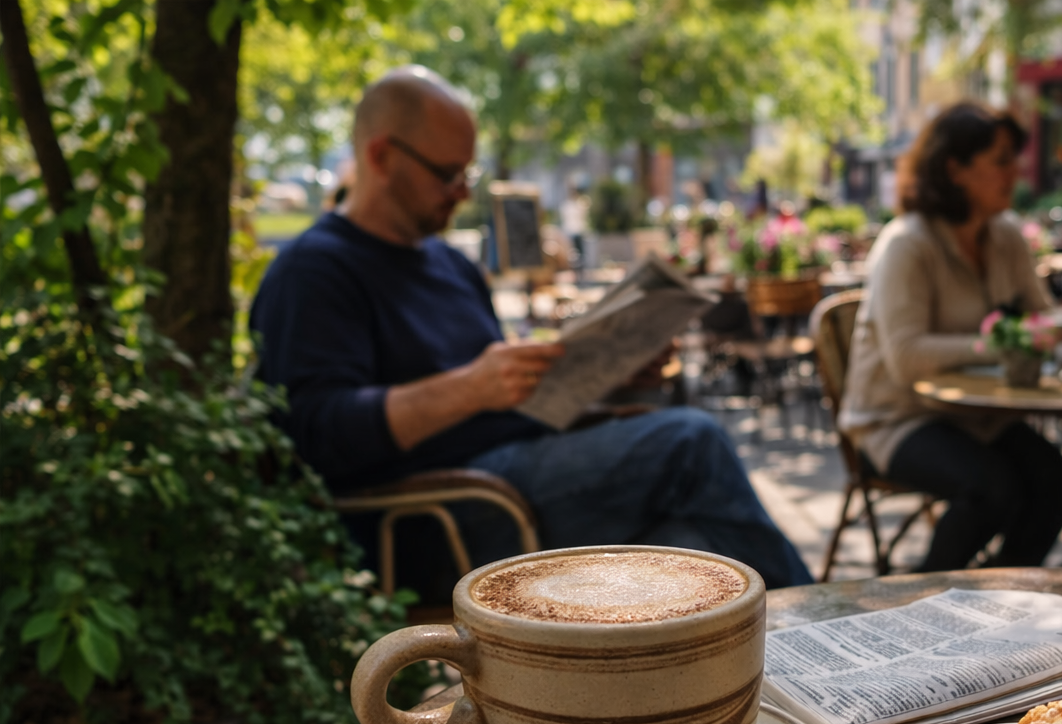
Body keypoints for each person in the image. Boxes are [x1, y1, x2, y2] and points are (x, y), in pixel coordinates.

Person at [252, 67, 812, 589]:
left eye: (467, 174)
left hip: (514, 478)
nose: (463, 194)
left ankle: (779, 686)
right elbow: (315, 434)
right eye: (448, 175)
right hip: (431, 515)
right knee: (692, 442)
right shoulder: (315, 271)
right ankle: (826, 634)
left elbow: (502, 404)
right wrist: (471, 386)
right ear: (380, 156)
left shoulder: (451, 265)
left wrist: (605, 375)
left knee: (695, 554)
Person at [839, 102, 1062, 571]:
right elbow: (905, 357)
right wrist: (1002, 343)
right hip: (895, 420)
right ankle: (923, 597)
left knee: (1057, 482)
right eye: (1001, 159)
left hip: (977, 414)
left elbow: (1043, 321)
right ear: (955, 169)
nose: (1016, 171)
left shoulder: (1006, 236)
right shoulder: (907, 243)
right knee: (992, 488)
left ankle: (1001, 590)